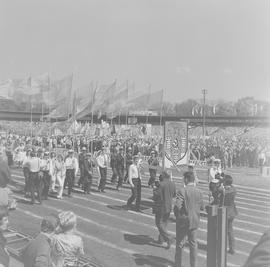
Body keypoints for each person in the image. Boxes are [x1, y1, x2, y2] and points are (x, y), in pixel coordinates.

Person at [174, 171, 204, 267]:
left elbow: (177, 206)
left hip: (183, 221)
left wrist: (178, 216)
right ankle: (193, 265)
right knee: (193, 245)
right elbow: (202, 207)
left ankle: (178, 264)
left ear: (186, 179)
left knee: (180, 244)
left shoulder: (182, 190)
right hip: (194, 221)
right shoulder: (199, 191)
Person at [153, 171, 176, 249]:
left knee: (159, 223)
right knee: (164, 223)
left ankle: (169, 238)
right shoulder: (173, 184)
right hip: (169, 206)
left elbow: (156, 196)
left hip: (161, 206)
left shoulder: (161, 184)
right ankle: (161, 239)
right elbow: (174, 195)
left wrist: (154, 189)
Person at [221, 174, 238, 254]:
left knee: (222, 230)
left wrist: (221, 184)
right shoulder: (234, 189)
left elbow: (218, 193)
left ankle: (221, 247)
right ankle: (232, 248)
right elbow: (231, 186)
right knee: (230, 231)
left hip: (225, 213)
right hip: (232, 212)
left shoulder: (223, 191)